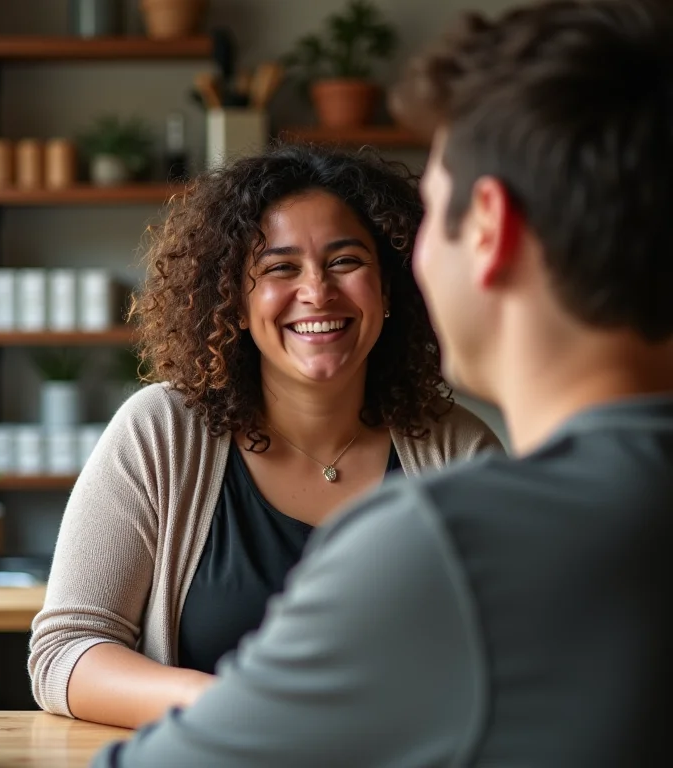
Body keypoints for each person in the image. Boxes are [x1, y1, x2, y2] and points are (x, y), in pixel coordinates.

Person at [88, 0, 673, 765]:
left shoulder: (442, 538)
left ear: (488, 229)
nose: (319, 292)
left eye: (433, 213)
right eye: (280, 269)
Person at [28, 144, 499, 729]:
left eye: (346, 260)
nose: (317, 291)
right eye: (280, 267)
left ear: (391, 284)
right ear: (235, 299)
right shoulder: (161, 434)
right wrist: (241, 708)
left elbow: (515, 662)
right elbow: (65, 654)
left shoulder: (459, 452)